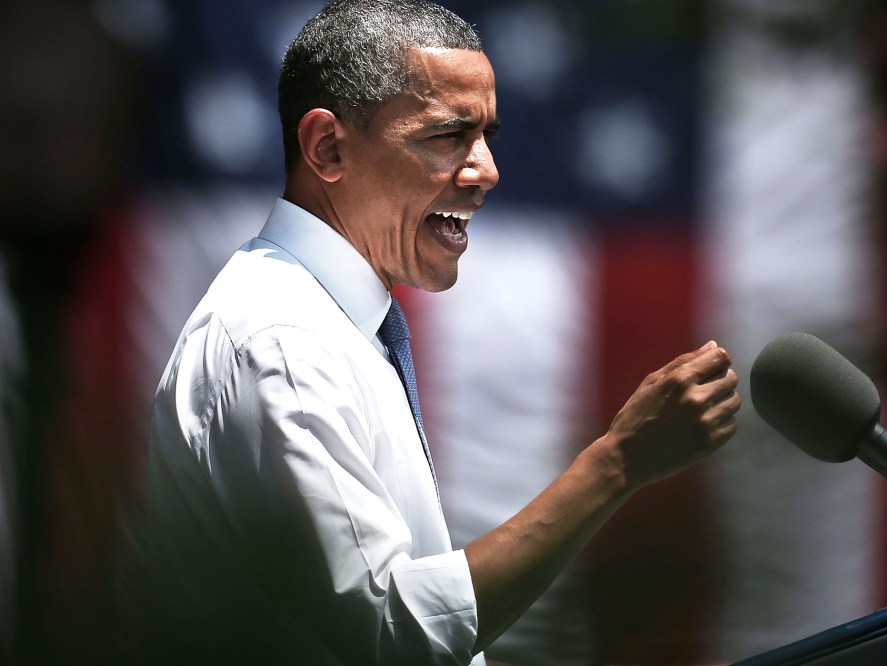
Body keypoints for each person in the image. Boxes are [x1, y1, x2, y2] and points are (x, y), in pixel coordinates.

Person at [145, 1, 741, 664]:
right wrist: (617, 463)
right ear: (328, 147)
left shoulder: (330, 323)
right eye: (446, 137)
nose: (486, 170)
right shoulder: (282, 343)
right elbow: (392, 633)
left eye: (485, 136)